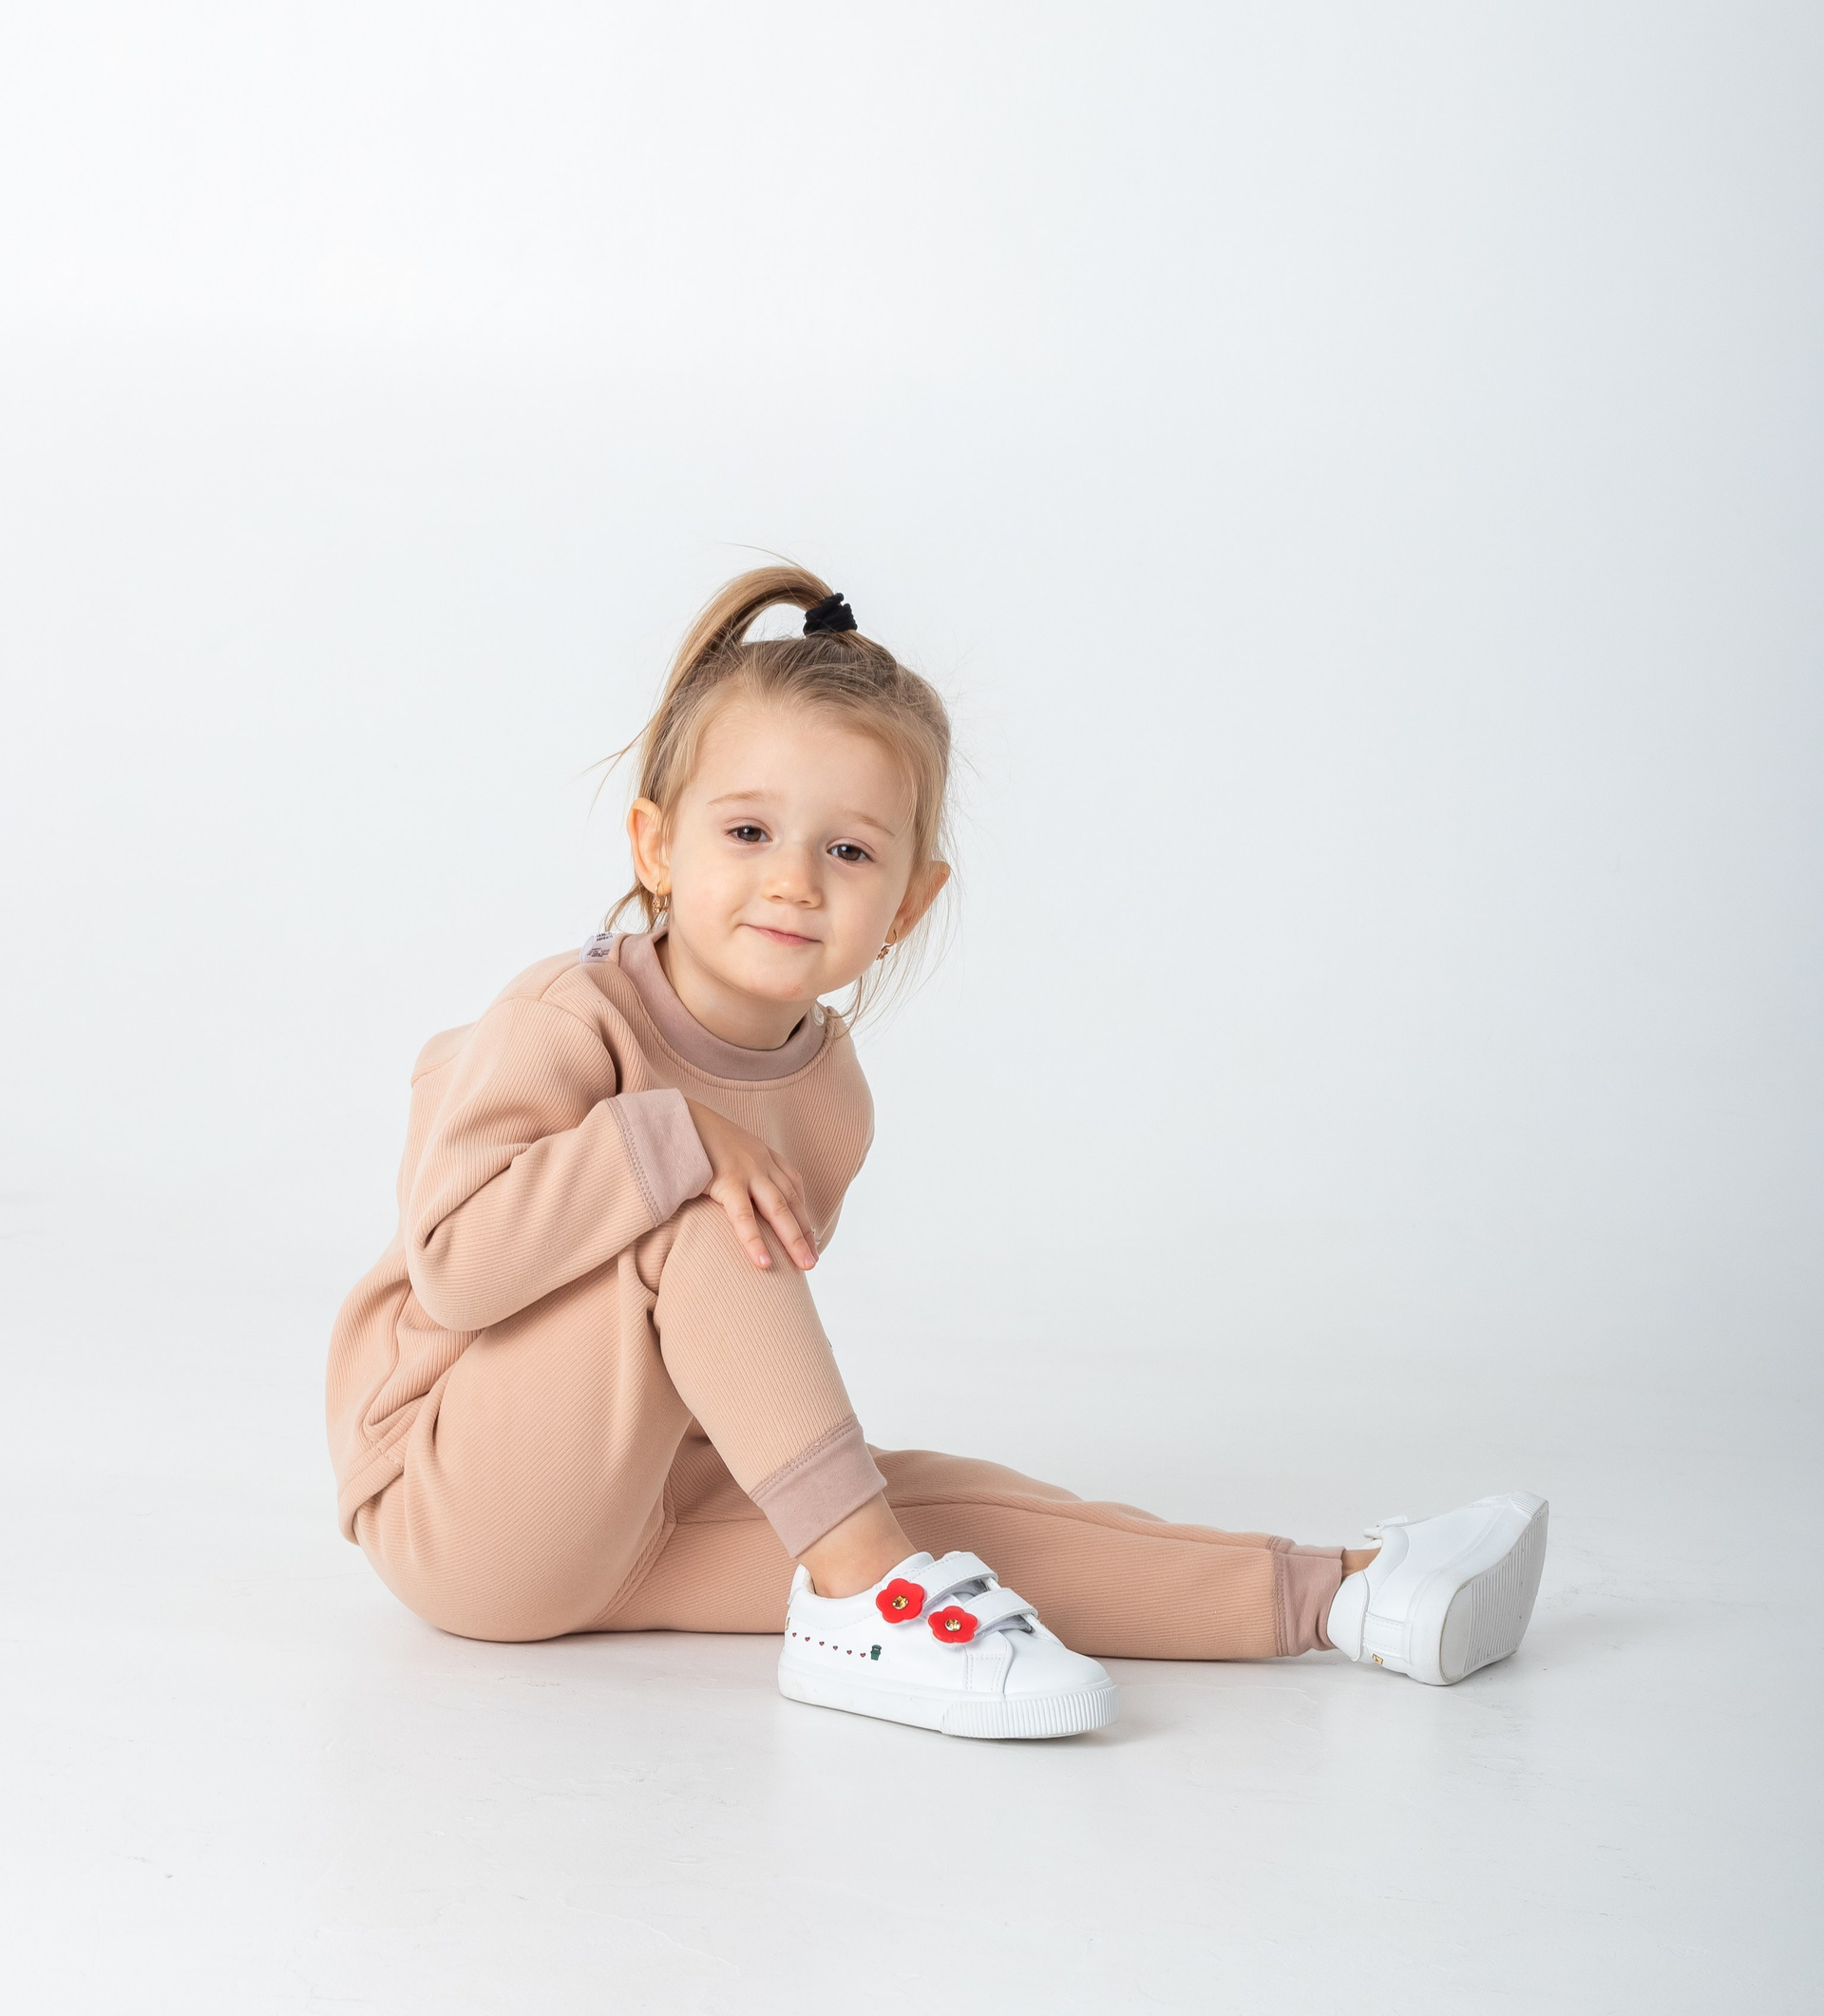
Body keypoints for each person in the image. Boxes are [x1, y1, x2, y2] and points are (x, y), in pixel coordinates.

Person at [327, 564, 1548, 1739]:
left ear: (908, 901)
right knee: (707, 1216)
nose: (793, 881)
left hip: (648, 1507)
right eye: (747, 830)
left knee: (926, 1515)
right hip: (458, 1508)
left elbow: (724, 1358)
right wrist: (675, 1135)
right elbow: (458, 1271)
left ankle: (1347, 1597)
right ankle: (862, 1604)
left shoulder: (830, 1092)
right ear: (656, 846)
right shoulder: (561, 1019)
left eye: (849, 852)